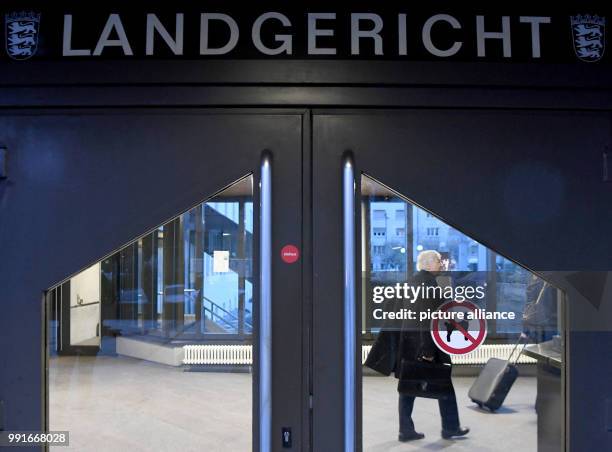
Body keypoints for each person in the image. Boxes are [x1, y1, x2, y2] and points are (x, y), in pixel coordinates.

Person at [365, 250, 469, 442]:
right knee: (443, 384)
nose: (441, 264)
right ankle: (450, 427)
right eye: (438, 261)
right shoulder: (429, 285)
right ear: (428, 264)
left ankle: (406, 430)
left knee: (407, 387)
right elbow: (426, 320)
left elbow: (391, 307)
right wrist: (428, 351)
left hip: (407, 344)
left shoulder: (408, 283)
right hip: (426, 345)